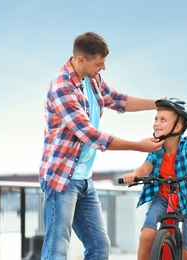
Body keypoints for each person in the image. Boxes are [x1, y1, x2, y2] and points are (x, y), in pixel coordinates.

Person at [39, 31, 165, 260]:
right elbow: (90, 135)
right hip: (62, 179)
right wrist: (139, 146)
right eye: (99, 63)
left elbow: (116, 99)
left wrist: (159, 104)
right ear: (81, 60)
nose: (103, 68)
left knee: (100, 246)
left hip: (84, 179)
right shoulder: (62, 88)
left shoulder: (92, 78)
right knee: (56, 249)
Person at [122, 97, 187, 260]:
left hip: (186, 202)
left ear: (178, 126)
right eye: (156, 119)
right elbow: (145, 167)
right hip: (162, 199)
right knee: (147, 236)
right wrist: (134, 175)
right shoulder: (156, 148)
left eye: (163, 120)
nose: (156, 123)